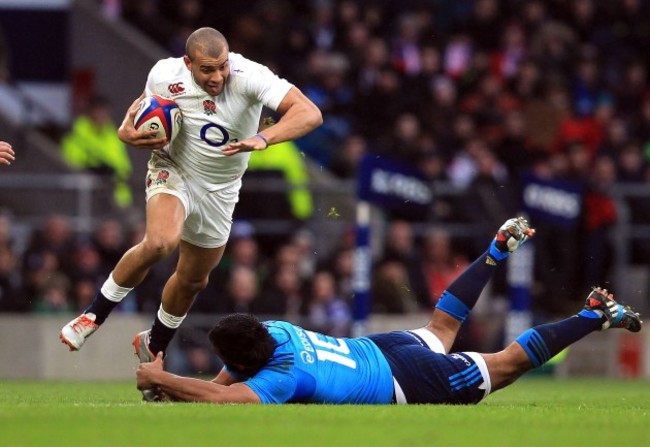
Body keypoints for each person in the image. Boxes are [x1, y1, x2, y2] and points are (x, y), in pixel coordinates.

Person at [60, 27, 323, 399]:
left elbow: (309, 113)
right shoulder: (165, 74)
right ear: (188, 65)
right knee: (160, 243)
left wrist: (264, 137)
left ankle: (153, 345)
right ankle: (93, 315)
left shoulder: (250, 77)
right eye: (207, 70)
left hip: (221, 190)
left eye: (222, 68)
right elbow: (139, 112)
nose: (217, 77)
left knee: (193, 280)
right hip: (174, 169)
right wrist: (125, 133)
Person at [135, 217, 642, 404]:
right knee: (444, 324)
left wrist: (157, 378)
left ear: (246, 363)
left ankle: (594, 313)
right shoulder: (277, 331)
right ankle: (493, 253)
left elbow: (224, 396)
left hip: (405, 380)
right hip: (383, 349)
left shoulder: (283, 379)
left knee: (506, 364)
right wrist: (167, 384)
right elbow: (225, 382)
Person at [61, 95, 134, 208]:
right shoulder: (78, 131)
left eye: (104, 112)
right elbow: (71, 157)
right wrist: (95, 167)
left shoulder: (114, 134)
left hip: (116, 194)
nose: (102, 115)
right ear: (90, 112)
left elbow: (123, 164)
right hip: (89, 193)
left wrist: (116, 172)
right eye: (98, 111)